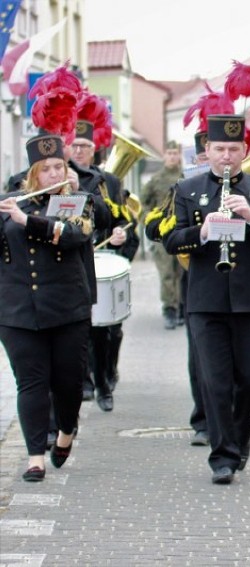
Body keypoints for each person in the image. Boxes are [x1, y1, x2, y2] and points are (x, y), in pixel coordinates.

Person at [164, 115, 250, 484]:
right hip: (206, 300)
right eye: (219, 149)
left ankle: (240, 433)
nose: (225, 156)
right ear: (206, 151)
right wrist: (201, 232)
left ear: (244, 152)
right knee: (215, 382)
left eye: (233, 150)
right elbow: (171, 240)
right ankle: (222, 456)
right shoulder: (188, 189)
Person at [0, 133, 94, 482]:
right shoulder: (11, 203)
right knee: (31, 383)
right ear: (33, 174)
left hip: (67, 309)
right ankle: (35, 456)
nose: (54, 174)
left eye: (59, 167)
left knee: (68, 383)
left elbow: (75, 236)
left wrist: (28, 222)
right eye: (46, 169)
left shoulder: (77, 202)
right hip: (18, 311)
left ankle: (67, 431)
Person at [145, 130, 209, 447]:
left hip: (240, 282)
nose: (215, 160)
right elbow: (154, 226)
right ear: (195, 159)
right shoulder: (181, 188)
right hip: (196, 275)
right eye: (206, 156)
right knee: (199, 354)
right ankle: (203, 419)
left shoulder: (249, 188)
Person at [69, 120, 138, 412]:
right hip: (73, 261)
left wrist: (122, 234)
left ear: (94, 149)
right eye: (75, 146)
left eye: (85, 146)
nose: (80, 151)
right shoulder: (59, 178)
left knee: (107, 331)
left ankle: (105, 381)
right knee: (80, 329)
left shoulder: (107, 181)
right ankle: (85, 382)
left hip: (103, 259)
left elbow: (123, 220)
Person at [141, 141, 184, 330]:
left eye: (175, 153)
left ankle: (182, 306)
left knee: (182, 272)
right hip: (163, 233)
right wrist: (150, 223)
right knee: (167, 272)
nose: (172, 156)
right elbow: (143, 203)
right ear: (164, 155)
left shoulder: (186, 178)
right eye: (169, 152)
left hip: (182, 230)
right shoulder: (156, 180)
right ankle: (169, 308)